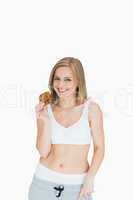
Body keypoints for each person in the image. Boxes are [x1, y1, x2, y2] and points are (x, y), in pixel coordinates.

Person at [28, 57, 105, 200]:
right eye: (57, 79)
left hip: (78, 187)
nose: (60, 85)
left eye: (67, 79)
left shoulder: (91, 109)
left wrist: (89, 179)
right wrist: (44, 119)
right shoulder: (46, 109)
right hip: (43, 183)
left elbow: (100, 148)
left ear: (78, 81)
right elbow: (43, 151)